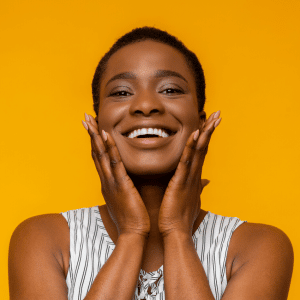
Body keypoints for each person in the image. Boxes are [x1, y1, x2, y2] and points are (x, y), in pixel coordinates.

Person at [8, 27, 294, 300]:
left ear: (201, 122)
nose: (146, 105)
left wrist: (177, 232)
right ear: (97, 125)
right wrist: (131, 234)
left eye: (170, 90)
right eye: (121, 92)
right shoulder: (44, 240)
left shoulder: (258, 247)